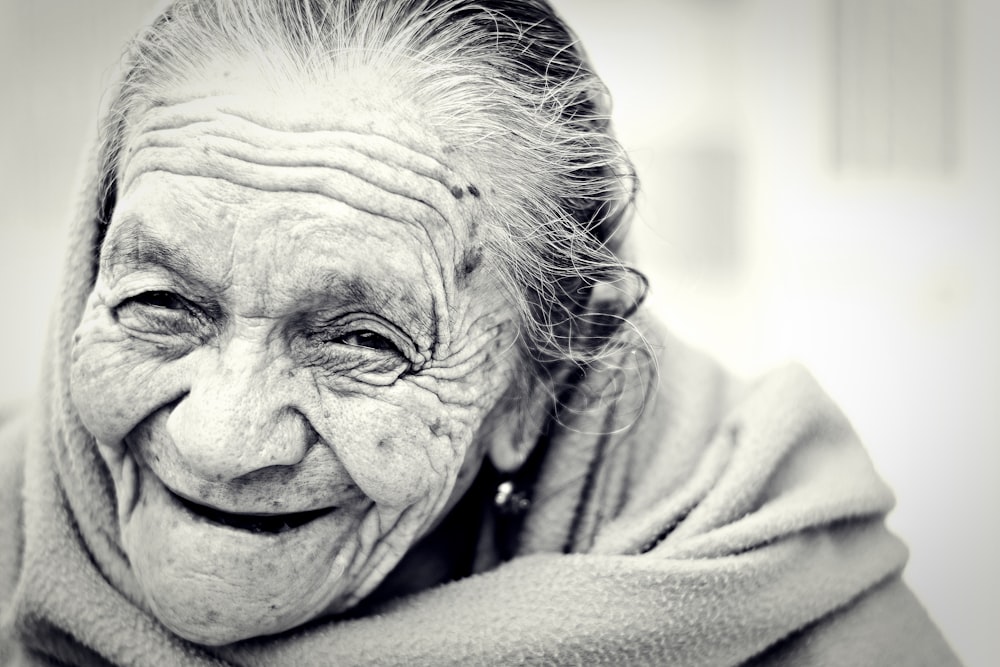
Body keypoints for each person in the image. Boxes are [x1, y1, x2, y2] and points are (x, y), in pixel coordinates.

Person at [0, 0, 960, 664]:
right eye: (160, 304)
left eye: (362, 341)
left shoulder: (771, 597)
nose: (219, 438)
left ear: (531, 389)